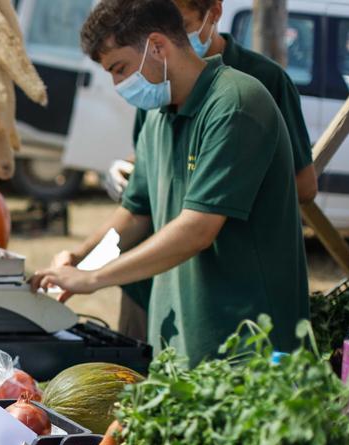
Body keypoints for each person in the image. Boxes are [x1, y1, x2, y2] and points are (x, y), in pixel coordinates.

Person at [30, 0, 309, 364]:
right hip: (182, 345)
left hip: (249, 345)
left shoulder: (236, 104)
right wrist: (78, 259)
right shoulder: (157, 116)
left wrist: (95, 278)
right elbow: (136, 213)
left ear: (158, 46)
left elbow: (197, 229)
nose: (118, 85)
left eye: (120, 69)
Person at [99, 0, 317, 340]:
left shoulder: (245, 93)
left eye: (181, 24)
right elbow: (138, 206)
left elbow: (302, 185)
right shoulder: (158, 96)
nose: (174, 39)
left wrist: (230, 181)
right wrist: (82, 260)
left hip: (239, 316)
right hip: (166, 294)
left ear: (213, 13)